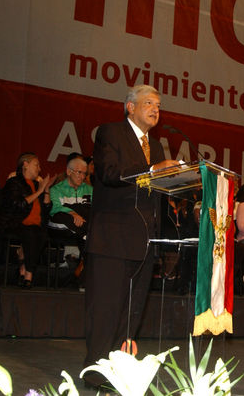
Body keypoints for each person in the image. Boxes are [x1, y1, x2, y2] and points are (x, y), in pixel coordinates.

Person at [83, 85, 180, 389]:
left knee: (132, 311)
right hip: (112, 237)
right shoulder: (110, 133)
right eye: (149, 103)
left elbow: (158, 191)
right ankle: (96, 372)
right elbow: (110, 173)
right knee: (106, 308)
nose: (155, 109)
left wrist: (177, 181)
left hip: (145, 239)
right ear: (130, 107)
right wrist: (152, 169)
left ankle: (119, 368)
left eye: (159, 105)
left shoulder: (158, 146)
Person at [0, 152, 55, 288]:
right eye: (36, 165)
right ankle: (29, 275)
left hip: (36, 224)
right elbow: (18, 205)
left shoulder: (37, 184)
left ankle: (23, 263)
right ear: (25, 165)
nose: (39, 169)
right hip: (16, 221)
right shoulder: (14, 182)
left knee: (41, 233)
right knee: (31, 233)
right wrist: (38, 192)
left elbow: (47, 208)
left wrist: (46, 189)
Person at [49, 157, 93, 241]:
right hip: (63, 225)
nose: (82, 177)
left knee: (86, 210)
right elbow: (53, 208)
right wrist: (72, 213)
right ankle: (87, 235)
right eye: (79, 172)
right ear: (69, 172)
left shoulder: (90, 190)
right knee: (60, 215)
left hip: (82, 225)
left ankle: (85, 236)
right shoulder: (56, 190)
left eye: (84, 173)